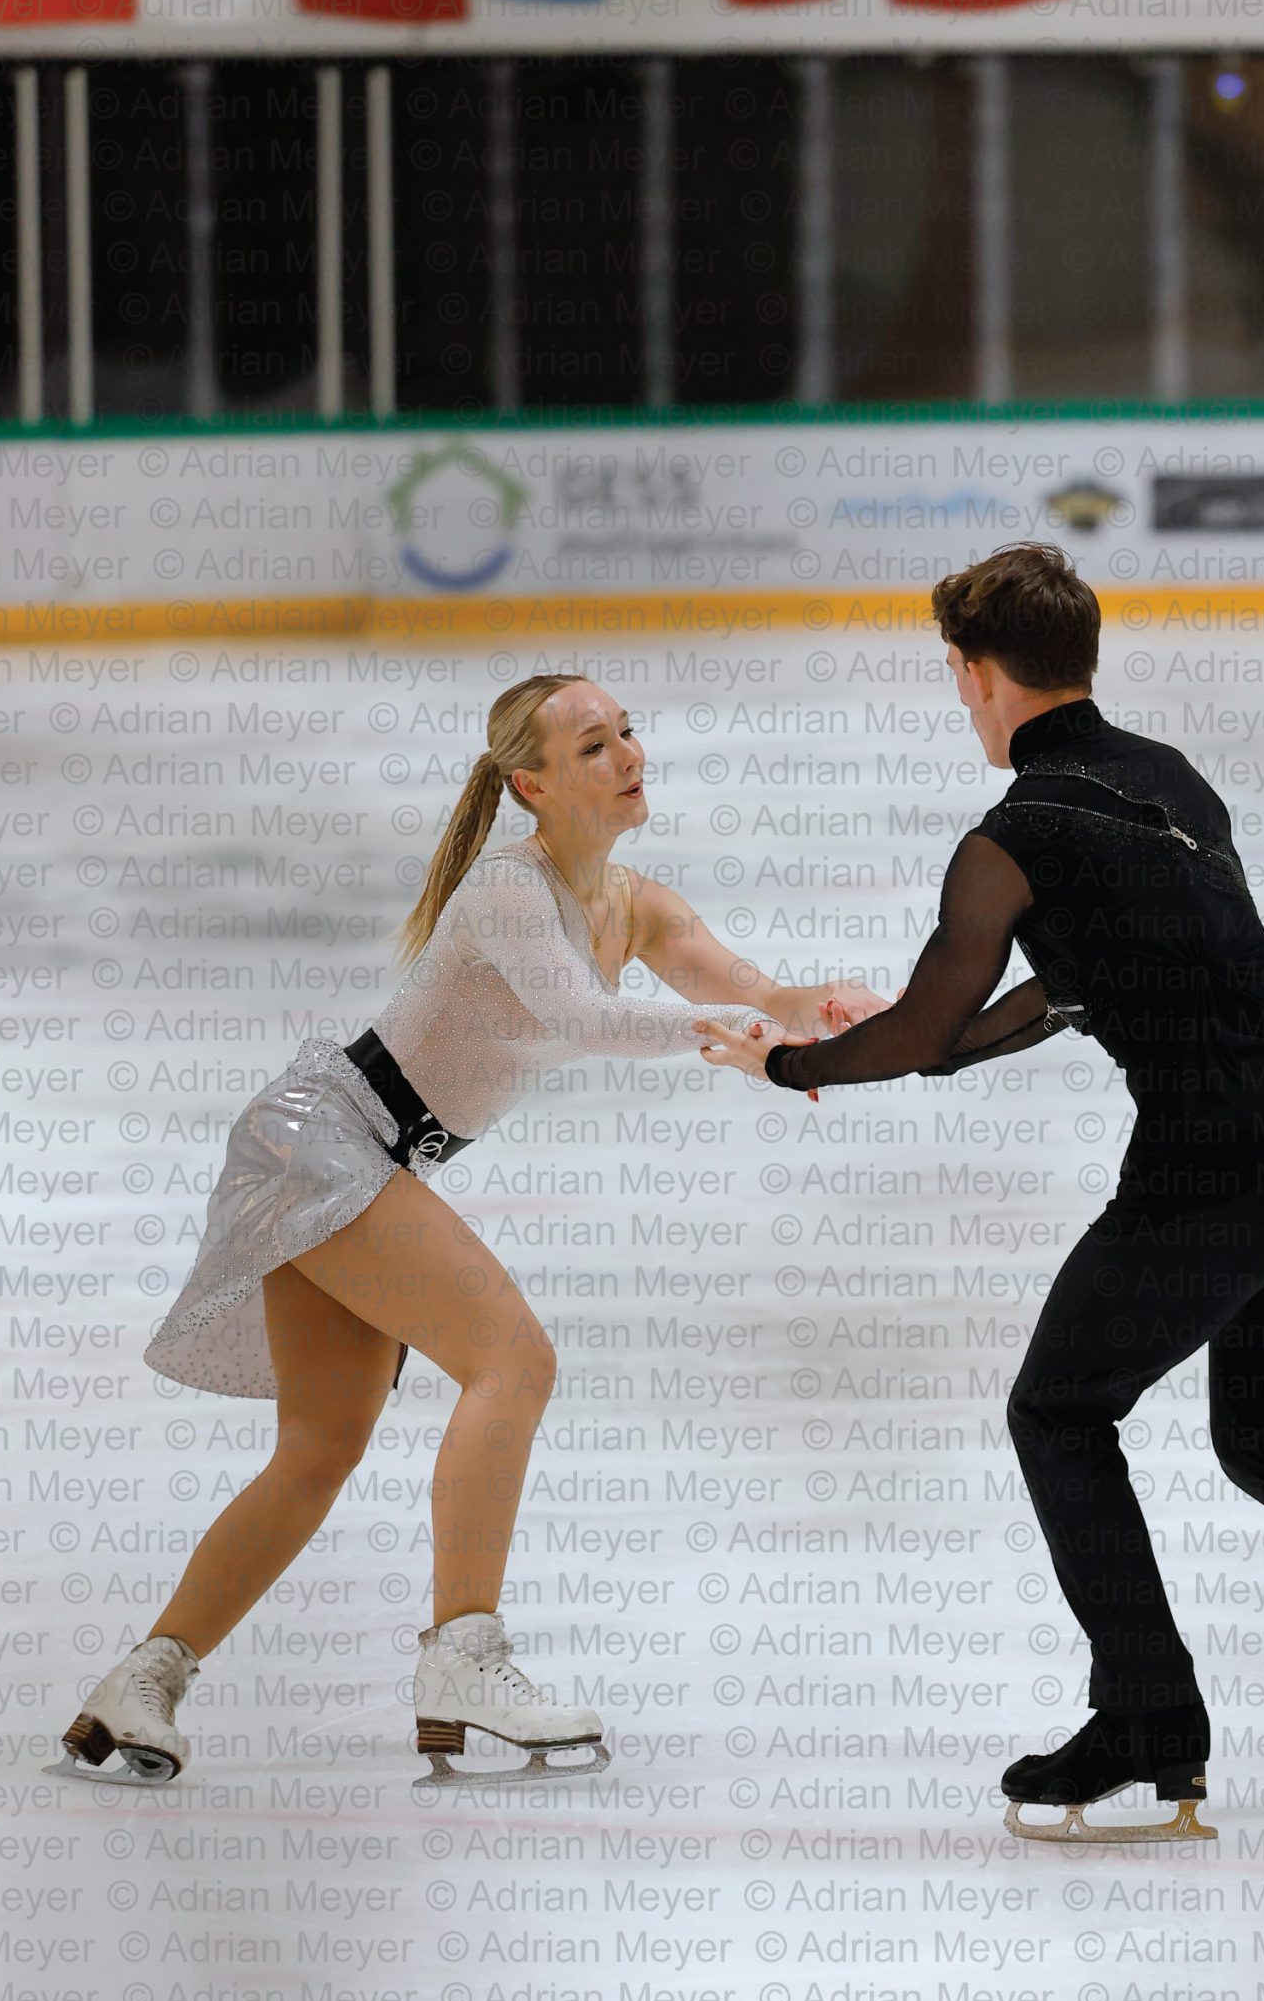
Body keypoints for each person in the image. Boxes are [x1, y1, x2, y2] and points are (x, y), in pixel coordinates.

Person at [699, 543, 1264, 1843]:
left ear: (975, 673)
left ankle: (1149, 1717)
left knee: (1058, 1411)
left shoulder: (1009, 838)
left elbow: (940, 1032)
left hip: (1216, 1170)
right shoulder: (1171, 780)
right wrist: (912, 1029)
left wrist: (794, 1064)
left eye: (955, 674)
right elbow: (1062, 994)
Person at [57, 671, 880, 1788]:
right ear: (533, 784)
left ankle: (139, 1682)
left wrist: (814, 1005)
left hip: (353, 1151)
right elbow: (587, 1018)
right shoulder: (506, 890)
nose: (628, 754)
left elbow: (752, 988)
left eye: (627, 733)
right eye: (594, 746)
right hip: (320, 1138)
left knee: (319, 1448)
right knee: (512, 1360)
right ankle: (463, 1656)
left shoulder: (634, 901)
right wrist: (729, 1029)